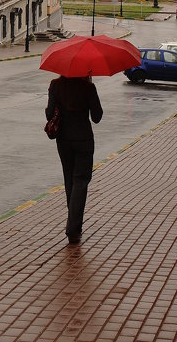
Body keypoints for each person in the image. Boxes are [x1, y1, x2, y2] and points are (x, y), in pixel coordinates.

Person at [45, 75, 103, 244]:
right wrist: (90, 90)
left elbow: (49, 114)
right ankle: (73, 228)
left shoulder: (55, 85)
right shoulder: (88, 88)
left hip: (63, 141)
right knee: (81, 181)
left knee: (70, 180)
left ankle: (74, 225)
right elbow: (97, 117)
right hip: (83, 140)